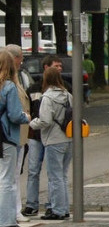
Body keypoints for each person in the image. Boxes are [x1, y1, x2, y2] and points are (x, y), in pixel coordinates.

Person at [21, 54, 62, 217]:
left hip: (53, 135)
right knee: (33, 170)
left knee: (54, 172)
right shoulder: (33, 89)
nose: (60, 68)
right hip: (36, 135)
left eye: (60, 66)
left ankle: (53, 204)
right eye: (56, 66)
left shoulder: (65, 88)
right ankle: (31, 204)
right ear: (46, 68)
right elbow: (28, 110)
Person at [30, 68, 72, 220]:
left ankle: (57, 210)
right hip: (68, 138)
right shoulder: (68, 95)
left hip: (53, 139)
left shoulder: (47, 98)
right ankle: (65, 208)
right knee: (63, 176)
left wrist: (32, 123)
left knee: (55, 177)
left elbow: (45, 120)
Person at [0, 49, 32, 227]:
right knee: (7, 179)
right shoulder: (9, 87)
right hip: (5, 136)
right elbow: (13, 114)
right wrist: (25, 117)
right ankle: (6, 221)